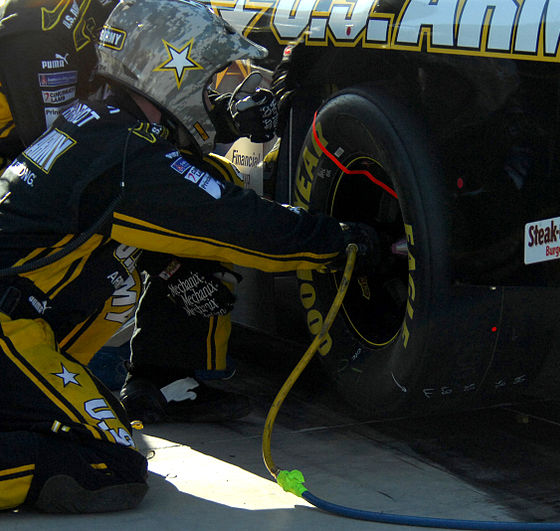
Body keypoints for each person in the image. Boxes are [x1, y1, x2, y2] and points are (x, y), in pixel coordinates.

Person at [0, 0, 374, 513]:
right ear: (167, 71)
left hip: (19, 321)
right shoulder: (130, 154)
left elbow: (212, 190)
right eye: (213, 79)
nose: (219, 94)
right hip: (6, 323)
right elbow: (242, 225)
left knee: (107, 428)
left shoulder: (107, 128)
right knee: (105, 465)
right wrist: (346, 240)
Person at [0, 0, 281, 424]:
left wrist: (226, 116)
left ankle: (164, 377)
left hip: (56, 175)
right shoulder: (39, 29)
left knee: (210, 177)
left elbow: (127, 121)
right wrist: (165, 258)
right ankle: (39, 373)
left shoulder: (117, 12)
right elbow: (67, 173)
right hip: (19, 195)